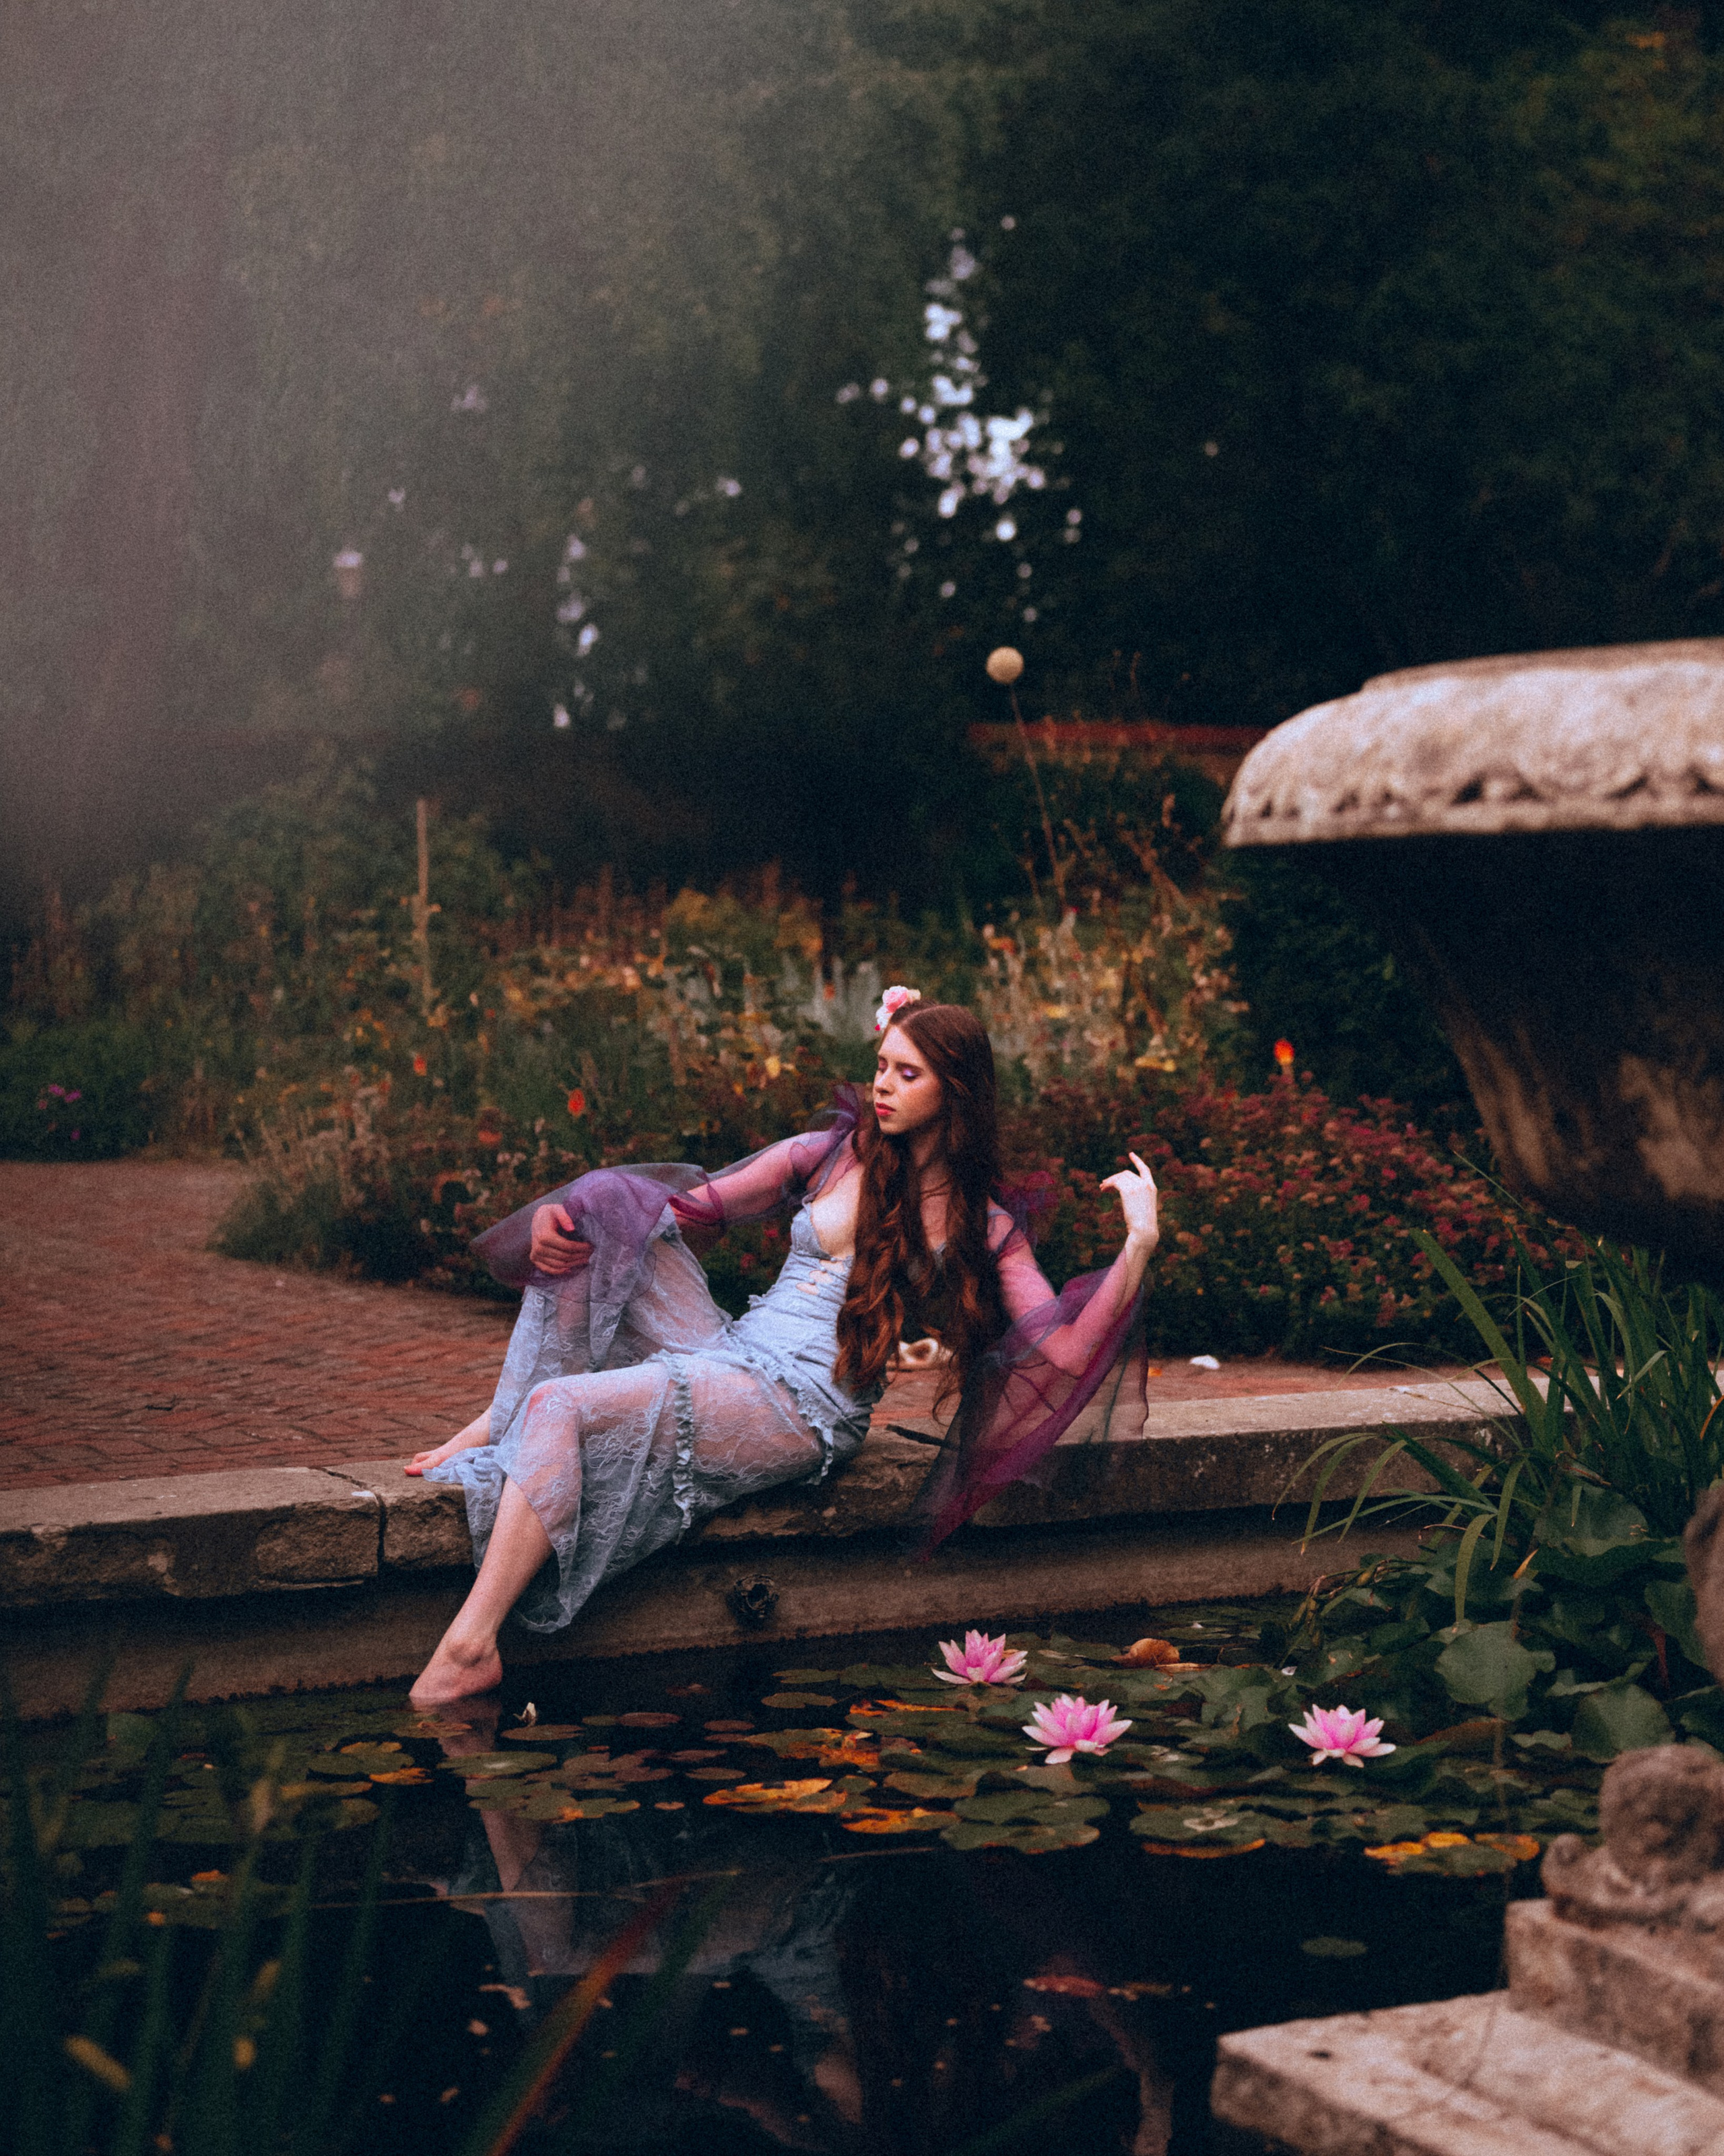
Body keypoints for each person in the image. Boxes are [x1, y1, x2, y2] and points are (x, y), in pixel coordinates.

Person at [406, 992, 1159, 1704]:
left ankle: (472, 1645)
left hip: (804, 1403)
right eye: (881, 1066)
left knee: (559, 1403)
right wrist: (567, 1221)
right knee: (605, 1201)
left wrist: (1138, 1245)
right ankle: (505, 1419)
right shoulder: (830, 1154)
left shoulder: (980, 1222)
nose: (882, 1086)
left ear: (954, 1091)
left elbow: (1064, 1351)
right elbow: (677, 1209)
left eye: (908, 1074)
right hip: (737, 1349)